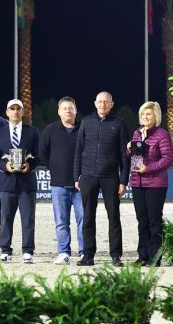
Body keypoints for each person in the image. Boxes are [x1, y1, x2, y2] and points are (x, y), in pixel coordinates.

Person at [73, 91, 130, 267]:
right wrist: (77, 177)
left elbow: (124, 156)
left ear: (112, 104)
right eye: (100, 101)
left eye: (106, 102)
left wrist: (123, 181)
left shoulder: (119, 124)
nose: (103, 105)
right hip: (88, 176)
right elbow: (78, 150)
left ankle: (115, 255)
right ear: (95, 103)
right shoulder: (86, 122)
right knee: (88, 216)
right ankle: (88, 255)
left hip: (110, 177)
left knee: (113, 216)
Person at [0, 98, 41, 263]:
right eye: (12, 109)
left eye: (18, 109)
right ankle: (5, 250)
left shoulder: (33, 132)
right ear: (7, 112)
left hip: (27, 183)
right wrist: (5, 166)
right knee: (6, 219)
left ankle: (28, 251)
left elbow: (39, 156)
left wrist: (30, 165)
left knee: (28, 220)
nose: (15, 111)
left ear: (23, 112)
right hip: (7, 182)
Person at [127, 101, 173, 266]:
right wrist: (129, 150)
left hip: (156, 184)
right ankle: (143, 256)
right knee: (142, 221)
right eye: (143, 114)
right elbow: (135, 159)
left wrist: (149, 168)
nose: (145, 117)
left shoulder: (162, 134)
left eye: (149, 114)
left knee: (154, 221)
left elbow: (168, 159)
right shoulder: (137, 133)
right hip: (138, 183)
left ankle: (155, 258)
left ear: (156, 116)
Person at [39, 96, 83, 265]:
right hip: (58, 185)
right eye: (64, 108)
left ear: (76, 110)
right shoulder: (50, 130)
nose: (68, 111)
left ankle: (84, 252)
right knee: (61, 223)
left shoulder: (83, 129)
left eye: (71, 108)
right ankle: (64, 252)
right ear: (59, 111)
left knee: (83, 220)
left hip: (81, 186)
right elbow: (42, 153)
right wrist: (55, 167)